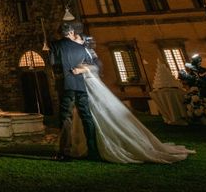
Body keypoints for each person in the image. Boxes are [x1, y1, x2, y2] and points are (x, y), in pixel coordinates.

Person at [72, 34, 195, 163]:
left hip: (90, 84)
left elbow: (94, 67)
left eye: (76, 37)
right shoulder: (78, 51)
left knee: (97, 111)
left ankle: (104, 143)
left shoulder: (85, 51)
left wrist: (81, 69)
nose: (73, 37)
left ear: (82, 42)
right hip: (84, 85)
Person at [49, 22, 99, 161]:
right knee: (86, 117)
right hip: (81, 85)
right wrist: (79, 70)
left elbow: (53, 65)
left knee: (66, 117)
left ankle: (65, 152)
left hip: (66, 86)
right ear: (71, 33)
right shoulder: (82, 48)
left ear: (60, 33)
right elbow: (91, 66)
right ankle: (92, 150)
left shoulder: (55, 45)